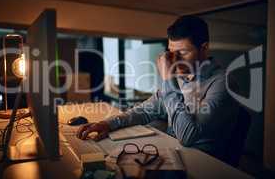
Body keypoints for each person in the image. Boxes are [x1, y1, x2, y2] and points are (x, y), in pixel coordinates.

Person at [77, 15, 239, 160]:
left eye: (182, 52)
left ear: (204, 48)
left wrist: (168, 79)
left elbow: (188, 136)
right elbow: (146, 110)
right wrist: (107, 124)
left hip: (202, 162)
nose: (175, 60)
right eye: (171, 52)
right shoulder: (181, 78)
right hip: (172, 150)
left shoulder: (223, 82)